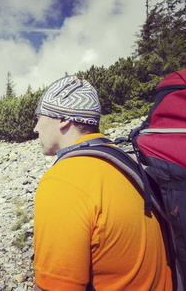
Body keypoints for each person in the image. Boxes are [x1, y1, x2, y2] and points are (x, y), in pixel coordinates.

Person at [32, 75, 173, 291]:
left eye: (39, 117)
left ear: (62, 119)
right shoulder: (126, 161)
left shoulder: (63, 181)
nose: (36, 128)